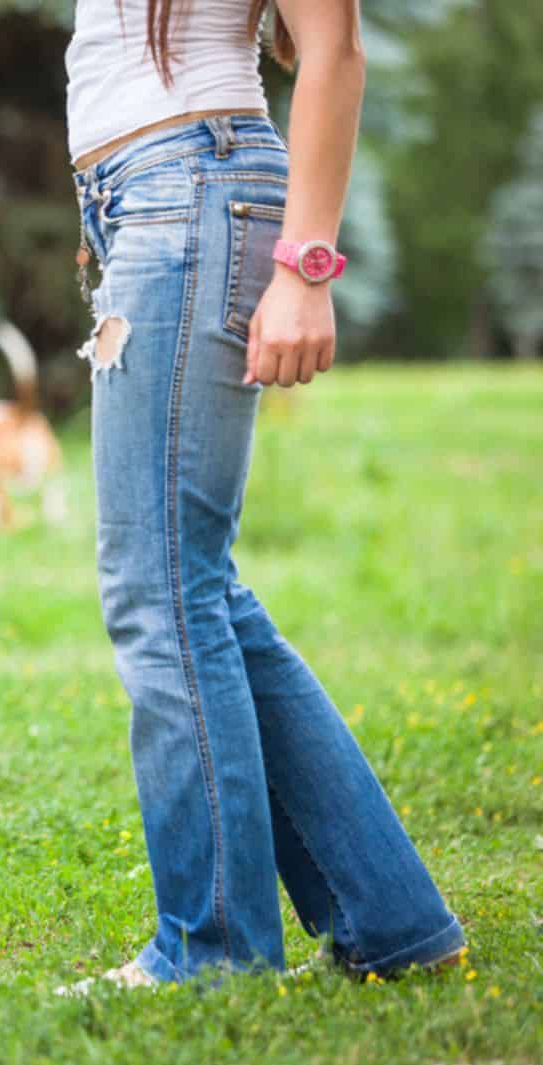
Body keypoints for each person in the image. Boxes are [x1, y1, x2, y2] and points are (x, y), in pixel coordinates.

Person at [62, 0, 465, 988]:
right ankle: (391, 919)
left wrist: (307, 267)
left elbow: (333, 49)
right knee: (193, 588)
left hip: (189, 189)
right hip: (146, 196)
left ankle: (213, 953)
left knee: (161, 588)